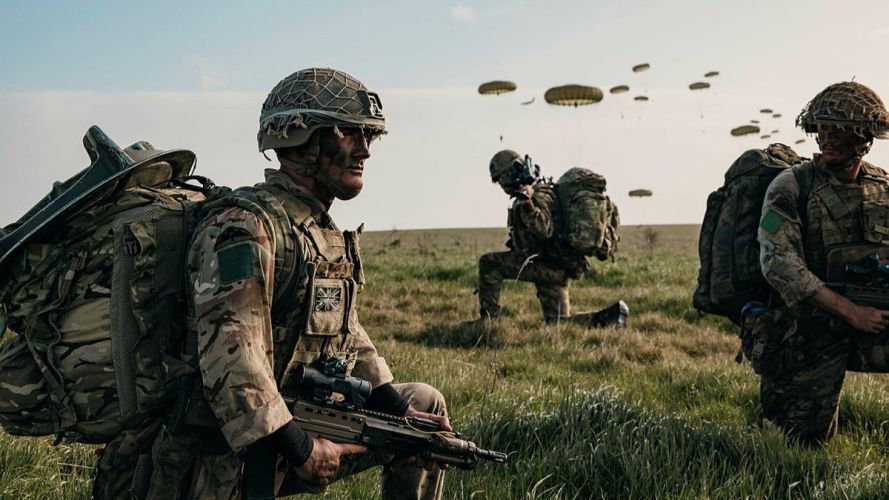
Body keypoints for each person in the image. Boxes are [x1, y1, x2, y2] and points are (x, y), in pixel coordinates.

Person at [92, 68, 450, 499]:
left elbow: (346, 334)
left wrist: (396, 410)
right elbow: (232, 358)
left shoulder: (316, 229)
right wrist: (302, 450)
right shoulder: (245, 226)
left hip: (292, 422)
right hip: (211, 453)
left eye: (368, 137)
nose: (364, 152)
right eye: (349, 135)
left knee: (423, 410)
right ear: (302, 141)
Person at [755, 81, 889, 446]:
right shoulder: (790, 186)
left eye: (837, 128)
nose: (826, 137)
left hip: (875, 315)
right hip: (807, 328)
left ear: (864, 136)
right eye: (821, 127)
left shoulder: (883, 186)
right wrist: (850, 311)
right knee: (798, 444)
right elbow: (777, 261)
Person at [468, 149, 627, 326]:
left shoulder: (539, 194)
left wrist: (528, 204)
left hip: (547, 264)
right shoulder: (539, 192)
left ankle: (487, 322)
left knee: (489, 263)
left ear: (513, 172)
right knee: (557, 323)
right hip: (558, 266)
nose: (502, 184)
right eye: (498, 181)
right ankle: (610, 318)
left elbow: (545, 230)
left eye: (502, 178)